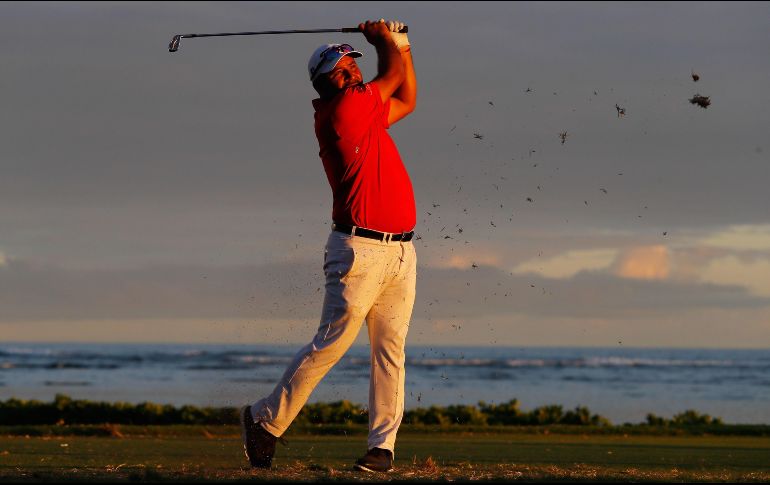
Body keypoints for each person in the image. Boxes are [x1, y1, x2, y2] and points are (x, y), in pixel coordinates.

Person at [240, 18, 417, 473]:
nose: (353, 73)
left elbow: (407, 97)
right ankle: (264, 420)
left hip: (400, 251)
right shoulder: (342, 112)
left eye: (354, 66)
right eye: (342, 70)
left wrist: (402, 44)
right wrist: (383, 40)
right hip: (359, 249)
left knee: (390, 349)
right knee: (333, 343)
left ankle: (382, 448)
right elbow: (392, 77)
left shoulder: (365, 110)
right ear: (323, 81)